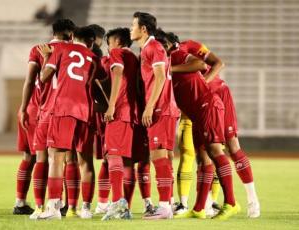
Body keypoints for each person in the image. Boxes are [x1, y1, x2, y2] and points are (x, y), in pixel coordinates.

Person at [158, 30, 240, 220]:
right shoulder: (164, 64)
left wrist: (171, 69)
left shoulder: (176, 56)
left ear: (167, 46)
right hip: (196, 115)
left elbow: (200, 63)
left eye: (161, 47)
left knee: (216, 153)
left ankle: (231, 203)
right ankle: (199, 208)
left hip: (207, 107)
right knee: (203, 160)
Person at [36, 26, 97, 220]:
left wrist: (46, 59)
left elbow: (43, 78)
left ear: (72, 37)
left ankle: (53, 207)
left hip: (63, 107)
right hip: (85, 111)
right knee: (85, 160)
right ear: (92, 42)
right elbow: (103, 84)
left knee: (56, 157)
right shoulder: (93, 57)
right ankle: (85, 209)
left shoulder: (62, 49)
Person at [130, 12, 180, 220]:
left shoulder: (153, 47)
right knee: (164, 157)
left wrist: (149, 107)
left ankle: (164, 207)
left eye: (133, 25)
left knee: (158, 156)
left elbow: (160, 78)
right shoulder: (148, 49)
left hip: (161, 108)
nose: (130, 29)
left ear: (143, 29)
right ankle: (167, 203)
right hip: (165, 108)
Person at [26, 19, 76, 220]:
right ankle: (69, 206)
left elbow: (33, 81)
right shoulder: (74, 50)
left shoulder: (37, 49)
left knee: (42, 158)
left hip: (44, 109)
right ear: (70, 34)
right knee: (69, 159)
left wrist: (24, 108)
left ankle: (40, 206)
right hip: (68, 110)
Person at [100, 27, 139, 221]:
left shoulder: (117, 53)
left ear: (117, 41)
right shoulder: (134, 57)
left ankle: (116, 202)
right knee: (128, 161)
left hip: (120, 110)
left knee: (113, 156)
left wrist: (112, 105)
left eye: (110, 41)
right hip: (133, 113)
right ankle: (125, 206)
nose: (108, 45)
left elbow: (116, 74)